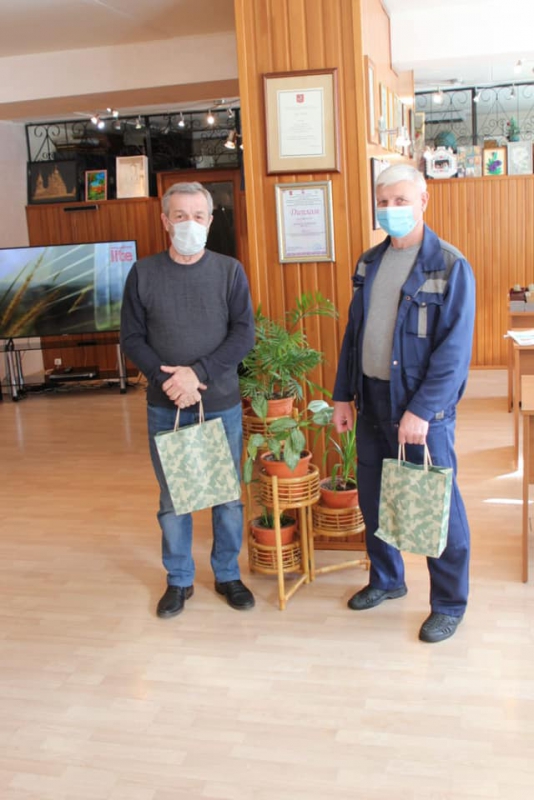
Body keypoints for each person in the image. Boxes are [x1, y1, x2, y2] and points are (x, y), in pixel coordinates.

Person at [332, 164, 475, 643]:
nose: (390, 209)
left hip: (420, 408)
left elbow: (454, 352)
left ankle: (448, 603)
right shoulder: (368, 263)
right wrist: (342, 395)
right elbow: (354, 335)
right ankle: (387, 579)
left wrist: (423, 410)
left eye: (400, 200)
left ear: (423, 201)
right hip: (371, 399)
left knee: (437, 505)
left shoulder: (449, 265)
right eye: (384, 202)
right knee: (375, 499)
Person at [120, 181, 256, 618]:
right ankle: (178, 579)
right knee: (173, 498)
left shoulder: (229, 271)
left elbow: (243, 334)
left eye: (198, 216)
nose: (190, 224)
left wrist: (196, 374)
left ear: (210, 221)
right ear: (165, 221)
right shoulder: (143, 273)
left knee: (227, 497)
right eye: (180, 216)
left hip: (219, 401)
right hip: (166, 405)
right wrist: (171, 382)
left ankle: (227, 574)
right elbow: (132, 338)